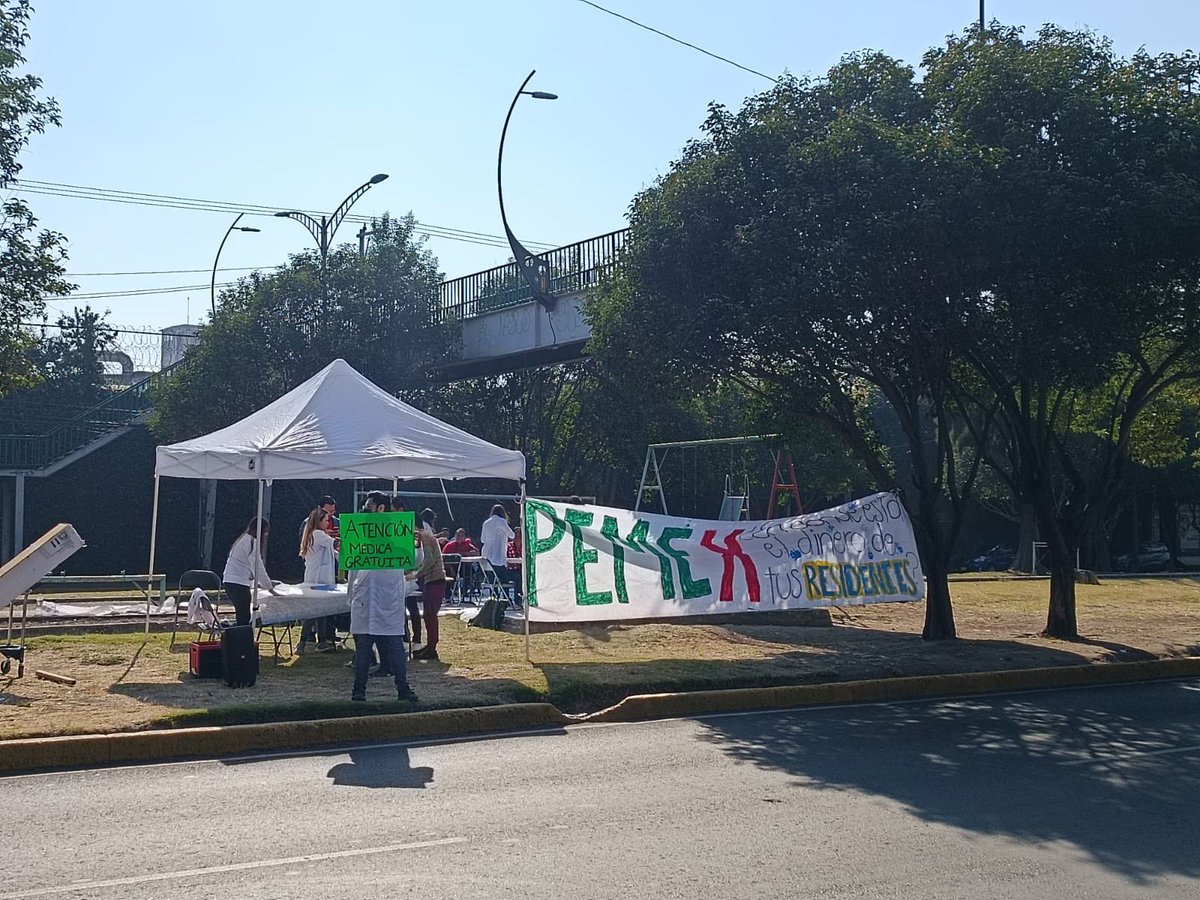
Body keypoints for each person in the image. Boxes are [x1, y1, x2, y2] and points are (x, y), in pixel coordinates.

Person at [347, 564, 418, 704]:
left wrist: (417, 544)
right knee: (364, 651)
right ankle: (358, 690)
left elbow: (415, 560)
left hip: (388, 605)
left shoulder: (398, 545)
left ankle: (402, 688)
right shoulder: (361, 547)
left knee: (395, 648)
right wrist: (351, 599)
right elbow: (353, 570)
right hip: (365, 605)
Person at [296, 507, 338, 654]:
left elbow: (336, 553)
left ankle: (321, 641)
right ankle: (302, 642)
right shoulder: (318, 534)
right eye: (326, 520)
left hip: (320, 581)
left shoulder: (319, 535)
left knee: (321, 611)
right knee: (313, 613)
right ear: (318, 521)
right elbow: (336, 544)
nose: (328, 523)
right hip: (316, 581)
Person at [221, 517, 278, 626]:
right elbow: (258, 567)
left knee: (242, 615)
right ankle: (240, 640)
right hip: (238, 584)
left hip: (231, 581)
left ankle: (237, 637)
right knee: (244, 617)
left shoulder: (243, 540)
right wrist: (269, 588)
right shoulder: (252, 542)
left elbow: (247, 569)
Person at [411, 529, 448, 661]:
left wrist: (416, 574)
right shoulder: (424, 536)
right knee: (428, 615)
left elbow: (430, 559)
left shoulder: (424, 536)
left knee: (430, 615)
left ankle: (432, 648)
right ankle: (430, 646)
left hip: (435, 579)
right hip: (431, 580)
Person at [391, 496, 423, 646]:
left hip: (410, 575)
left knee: (410, 606)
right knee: (407, 607)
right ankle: (410, 639)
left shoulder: (409, 526)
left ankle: (413, 639)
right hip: (403, 574)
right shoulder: (397, 526)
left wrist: (410, 572)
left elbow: (419, 556)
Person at [481, 504, 521, 604]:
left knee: (492, 578)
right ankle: (508, 600)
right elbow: (511, 535)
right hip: (498, 555)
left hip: (486, 554)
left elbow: (483, 539)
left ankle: (494, 599)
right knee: (505, 579)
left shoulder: (486, 523)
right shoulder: (502, 522)